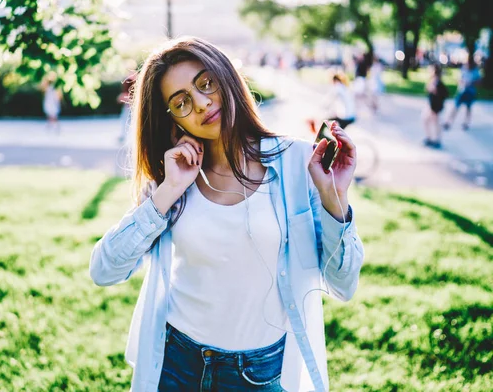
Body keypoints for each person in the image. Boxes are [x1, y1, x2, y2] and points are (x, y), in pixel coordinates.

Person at [89, 37, 364, 392]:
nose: (202, 103)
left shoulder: (299, 163)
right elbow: (104, 270)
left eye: (206, 83)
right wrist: (168, 191)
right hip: (176, 363)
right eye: (182, 102)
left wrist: (334, 197)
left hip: (259, 372)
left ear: (226, 77)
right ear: (173, 120)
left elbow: (343, 284)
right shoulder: (172, 178)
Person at [443, 57, 481, 131]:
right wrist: (462, 82)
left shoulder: (475, 71)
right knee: (455, 107)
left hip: (470, 92)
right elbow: (458, 79)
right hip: (462, 91)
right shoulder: (463, 69)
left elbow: (479, 81)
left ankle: (466, 123)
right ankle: (448, 122)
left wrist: (471, 83)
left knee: (468, 108)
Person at [423, 64, 448, 148]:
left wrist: (435, 108)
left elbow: (439, 94)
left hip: (434, 107)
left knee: (435, 122)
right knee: (427, 120)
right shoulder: (433, 80)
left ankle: (436, 140)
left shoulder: (437, 82)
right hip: (431, 105)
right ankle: (430, 138)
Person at [117, 72, 137, 144]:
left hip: (132, 108)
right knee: (125, 121)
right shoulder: (128, 81)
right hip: (128, 107)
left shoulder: (133, 80)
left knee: (130, 122)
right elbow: (120, 98)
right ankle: (123, 136)